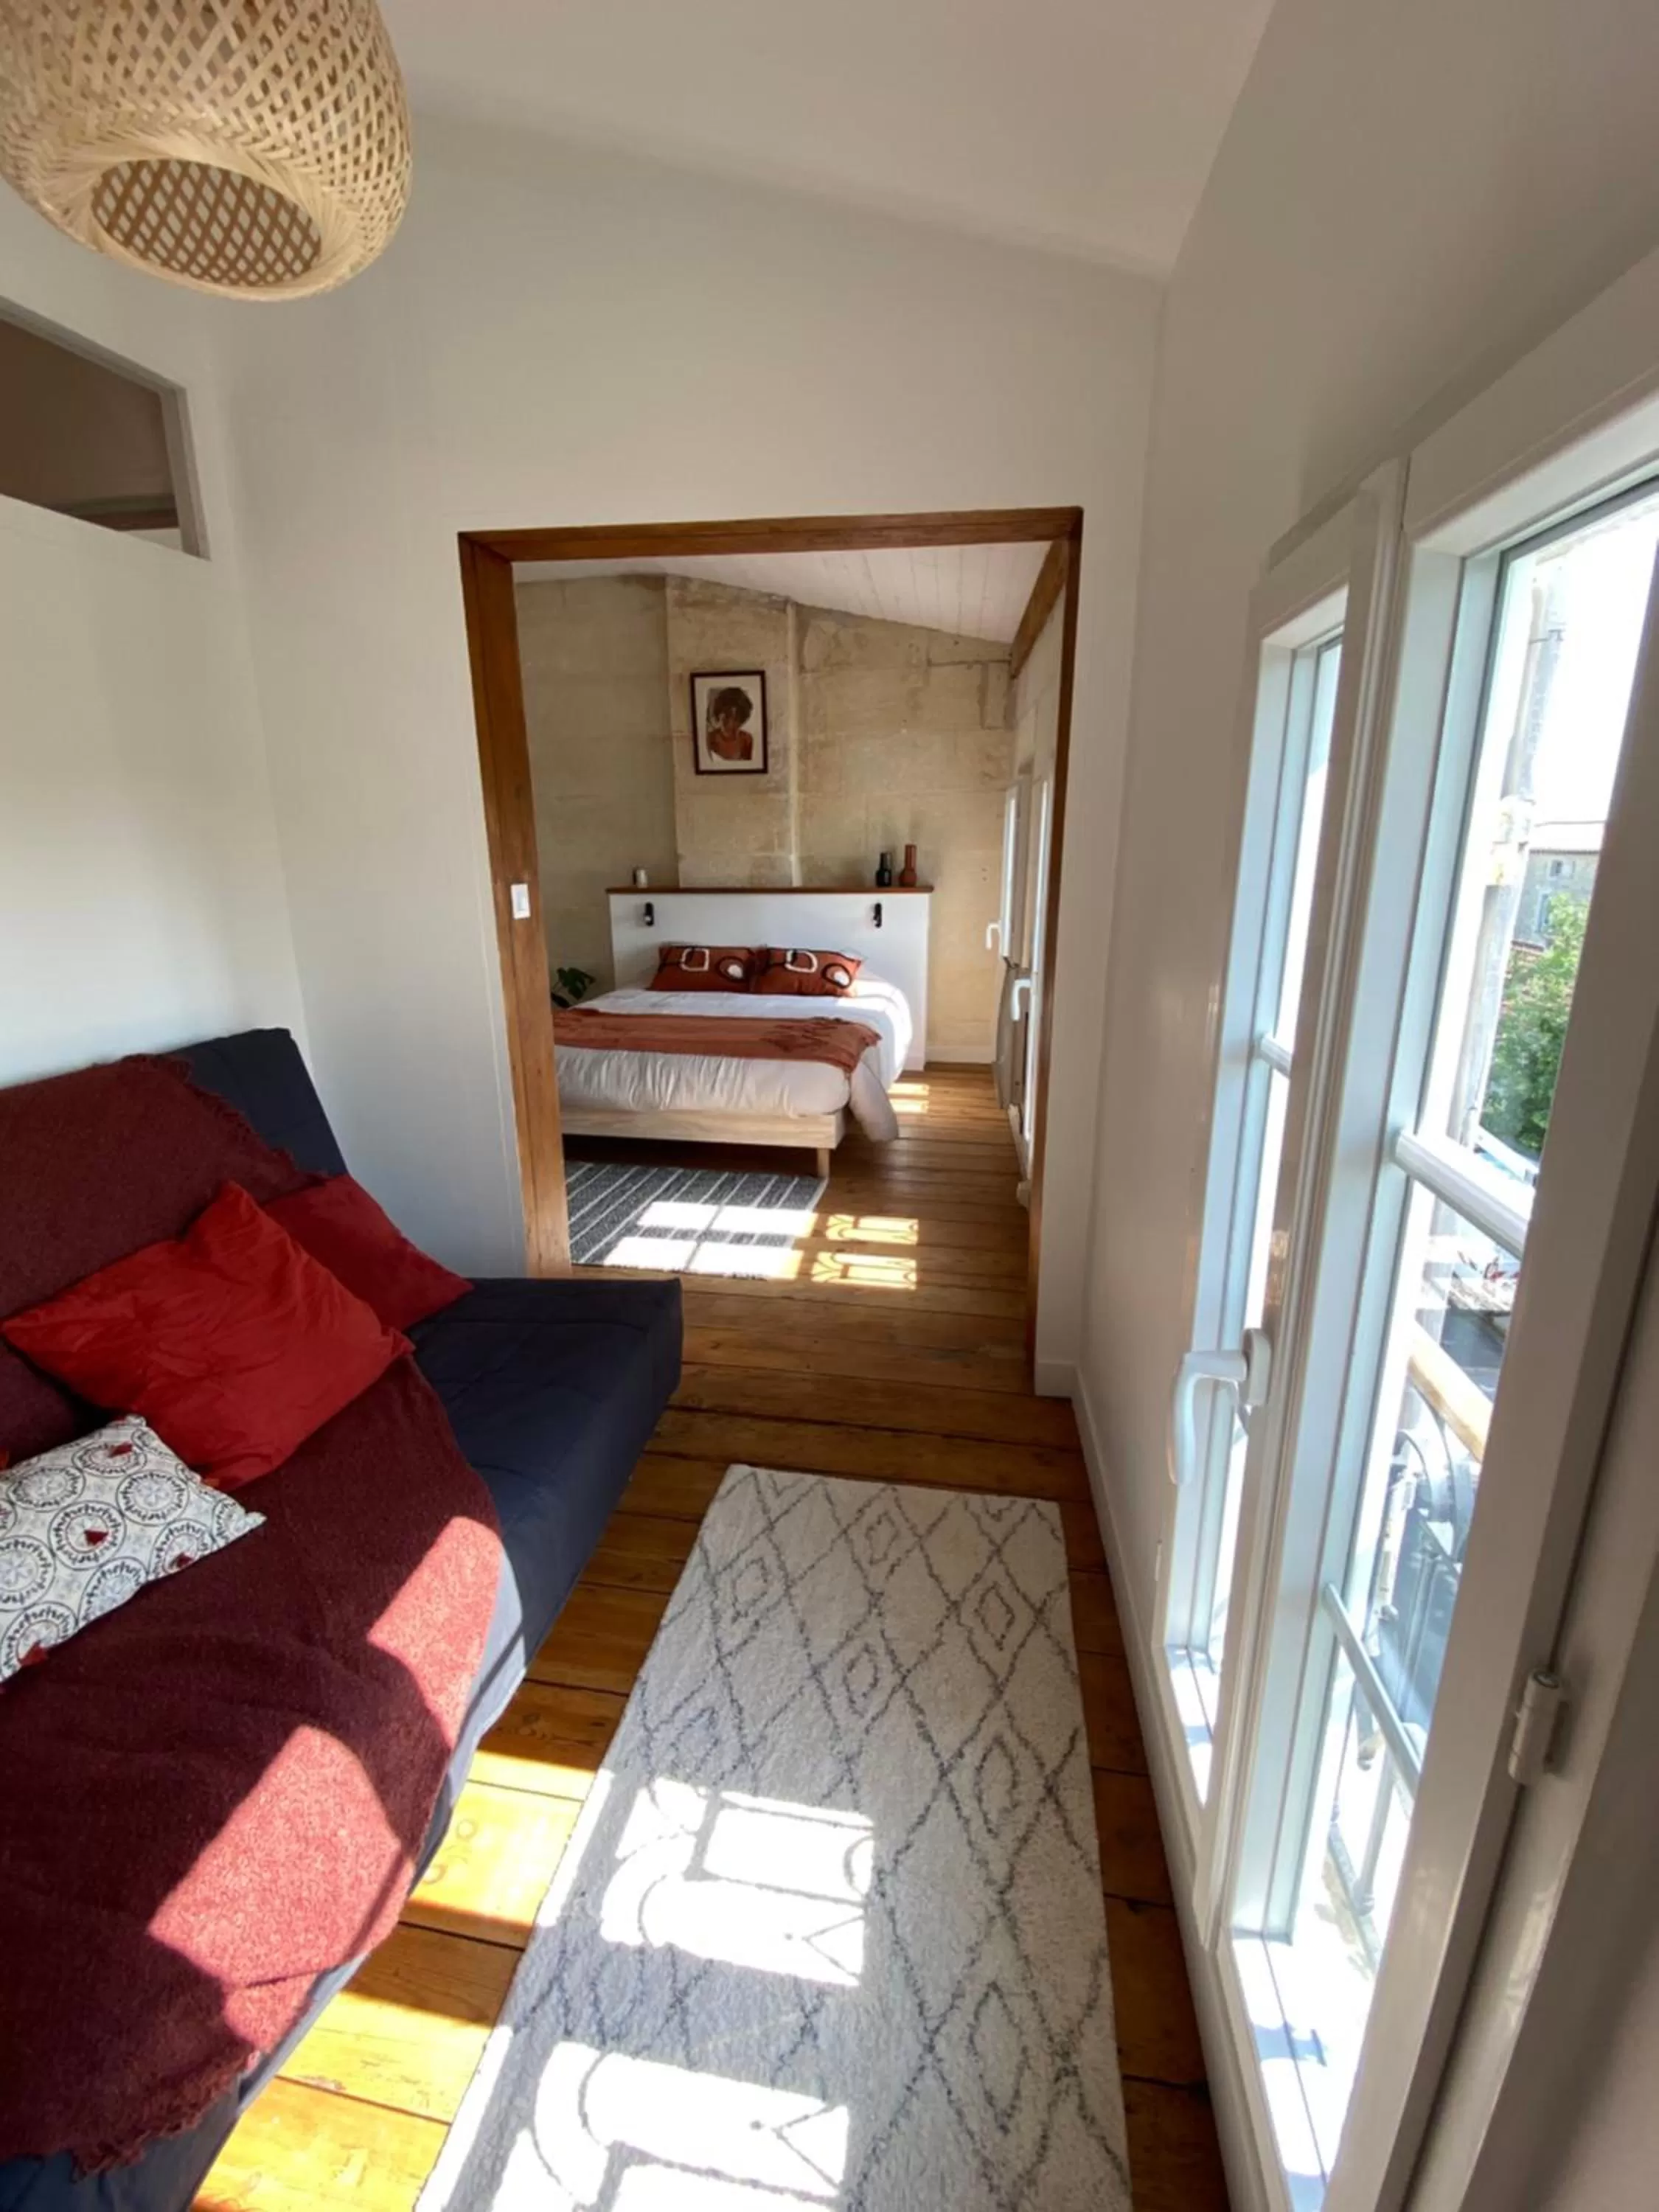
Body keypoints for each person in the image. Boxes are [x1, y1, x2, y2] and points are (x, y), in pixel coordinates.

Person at [706, 684, 755, 762]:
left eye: (736, 719)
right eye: (727, 716)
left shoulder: (746, 740)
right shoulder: (710, 739)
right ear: (719, 715)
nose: (731, 723)